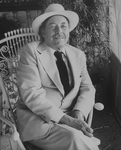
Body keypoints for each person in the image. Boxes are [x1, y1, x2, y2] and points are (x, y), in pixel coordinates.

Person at [16, 3, 99, 150]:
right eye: (52, 26)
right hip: (40, 123)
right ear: (42, 32)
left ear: (69, 31)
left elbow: (88, 87)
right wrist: (67, 121)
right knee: (76, 139)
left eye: (63, 26)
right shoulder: (31, 51)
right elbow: (32, 94)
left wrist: (79, 112)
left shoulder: (77, 54)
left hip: (71, 117)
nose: (59, 31)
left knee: (78, 138)